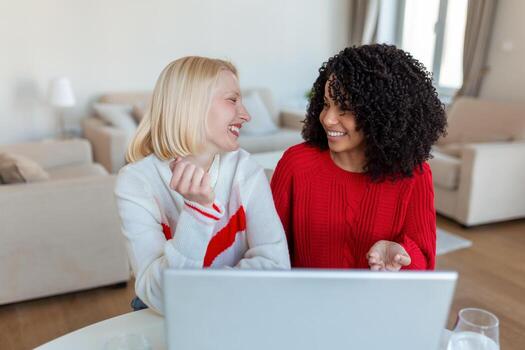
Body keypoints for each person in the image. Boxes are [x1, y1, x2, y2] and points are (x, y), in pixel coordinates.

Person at [115, 56, 290, 314]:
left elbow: (275, 268)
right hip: (166, 317)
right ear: (191, 106)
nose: (246, 115)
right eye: (232, 100)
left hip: (236, 310)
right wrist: (199, 213)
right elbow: (160, 296)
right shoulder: (136, 182)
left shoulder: (245, 169)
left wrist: (197, 290)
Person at [271, 44, 446, 271]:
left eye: (345, 108)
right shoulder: (296, 164)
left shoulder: (414, 175)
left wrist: (401, 256)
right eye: (326, 104)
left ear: (382, 114)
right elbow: (269, 250)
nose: (328, 119)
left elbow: (424, 262)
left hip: (376, 303)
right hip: (305, 302)